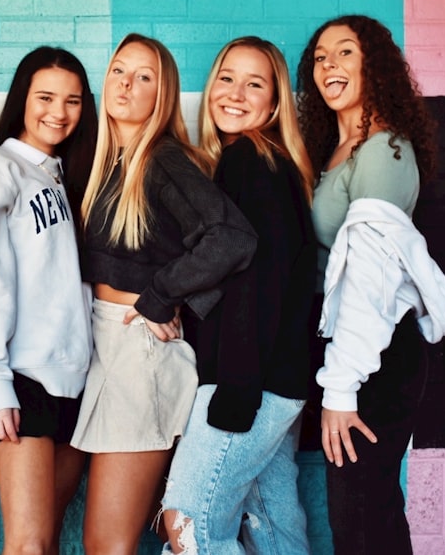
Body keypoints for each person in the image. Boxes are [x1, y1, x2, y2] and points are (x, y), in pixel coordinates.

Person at [71, 33, 258, 554]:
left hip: (139, 356)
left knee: (108, 546)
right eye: (118, 71)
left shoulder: (162, 158)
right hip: (108, 350)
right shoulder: (110, 161)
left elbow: (233, 239)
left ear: (164, 94)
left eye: (144, 77)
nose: (127, 84)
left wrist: (160, 295)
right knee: (155, 537)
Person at [297, 15, 445, 554]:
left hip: (376, 358)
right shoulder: (341, 151)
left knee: (361, 522)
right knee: (372, 517)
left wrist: (340, 388)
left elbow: (371, 280)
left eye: (345, 53)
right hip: (360, 354)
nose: (329, 66)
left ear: (375, 66)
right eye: (321, 57)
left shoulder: (384, 151)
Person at [159, 36, 316, 554]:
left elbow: (261, 285)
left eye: (255, 84)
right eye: (226, 78)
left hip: (247, 385)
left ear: (274, 104)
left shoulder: (250, 161)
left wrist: (237, 391)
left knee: (187, 524)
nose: (235, 93)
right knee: (274, 528)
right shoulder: (265, 163)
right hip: (275, 384)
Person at [0, 46, 98, 555]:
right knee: (29, 546)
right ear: (22, 99)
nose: (58, 112)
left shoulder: (64, 176)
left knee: (48, 543)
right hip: (22, 380)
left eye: (73, 100)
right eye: (45, 97)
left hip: (73, 383)